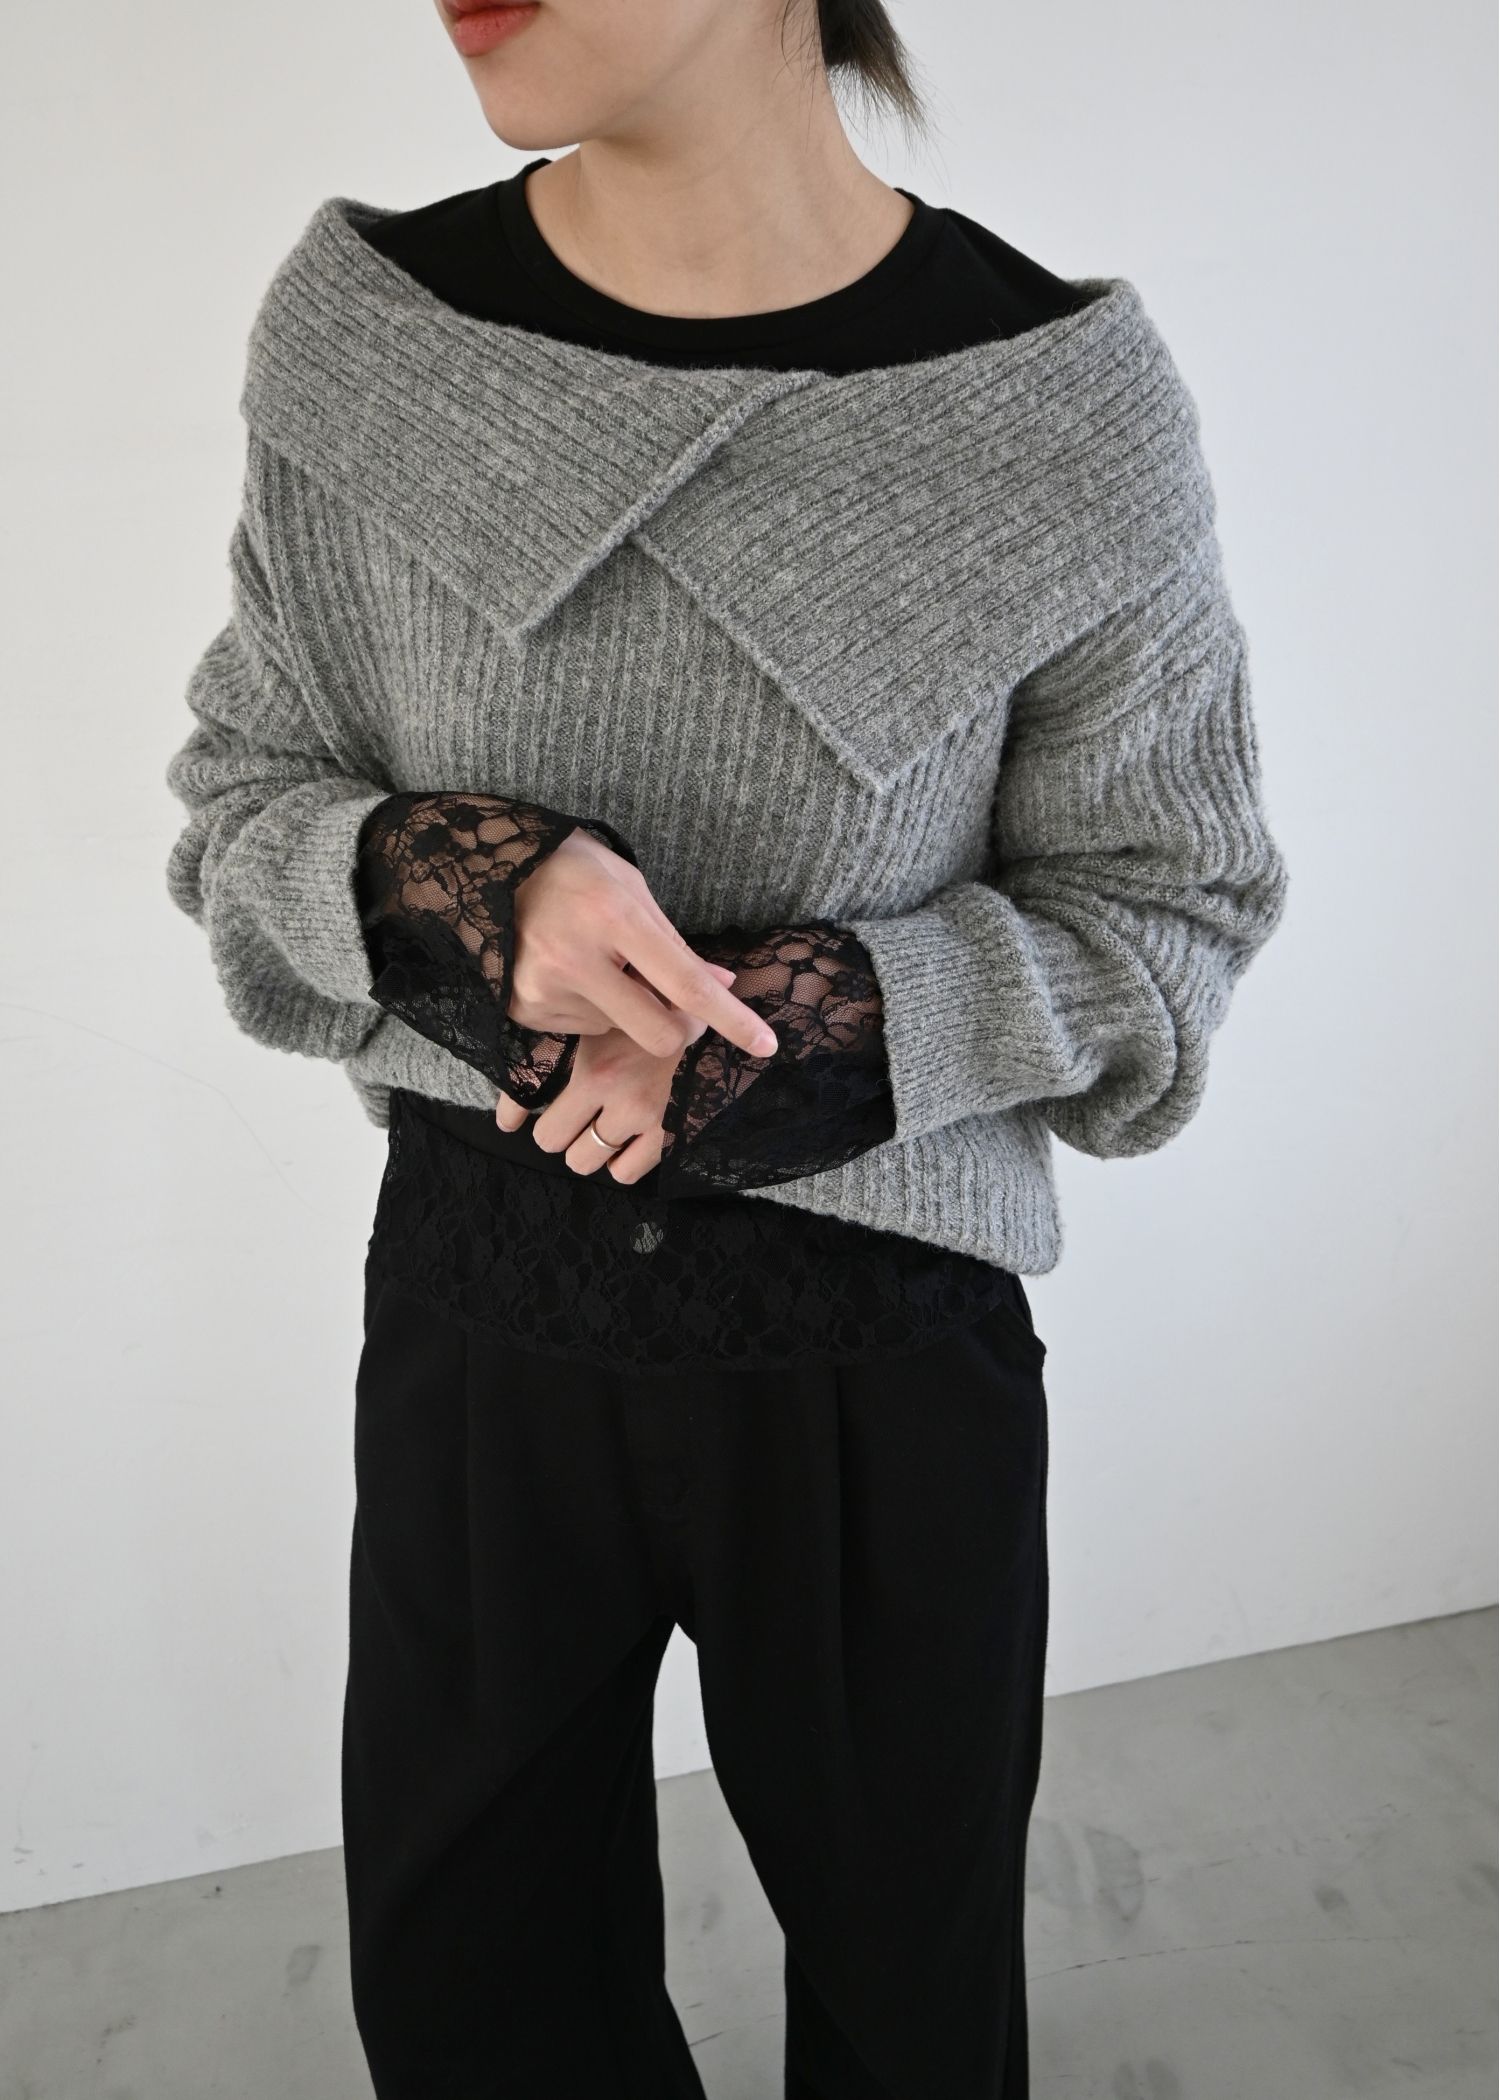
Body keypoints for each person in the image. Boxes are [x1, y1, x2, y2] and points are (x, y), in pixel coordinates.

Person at [162, 0, 1290, 2091]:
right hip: (482, 1332)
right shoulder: (370, 341)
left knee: (911, 2020)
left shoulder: (1057, 412)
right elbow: (242, 807)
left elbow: (1168, 910)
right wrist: (465, 884)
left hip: (883, 1366)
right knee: (474, 2011)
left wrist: (829, 1021)